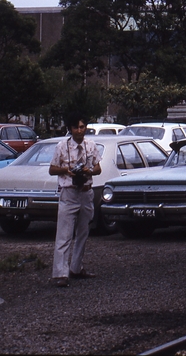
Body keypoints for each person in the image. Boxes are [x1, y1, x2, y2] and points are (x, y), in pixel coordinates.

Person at [49, 113, 102, 288]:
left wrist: (89, 171)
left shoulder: (91, 145)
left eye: (82, 127)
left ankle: (76, 267)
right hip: (69, 193)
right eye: (76, 127)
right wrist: (66, 170)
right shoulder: (61, 146)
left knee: (83, 233)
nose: (79, 131)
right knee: (64, 234)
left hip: (86, 192)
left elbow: (98, 168)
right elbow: (52, 169)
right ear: (70, 129)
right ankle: (59, 274)